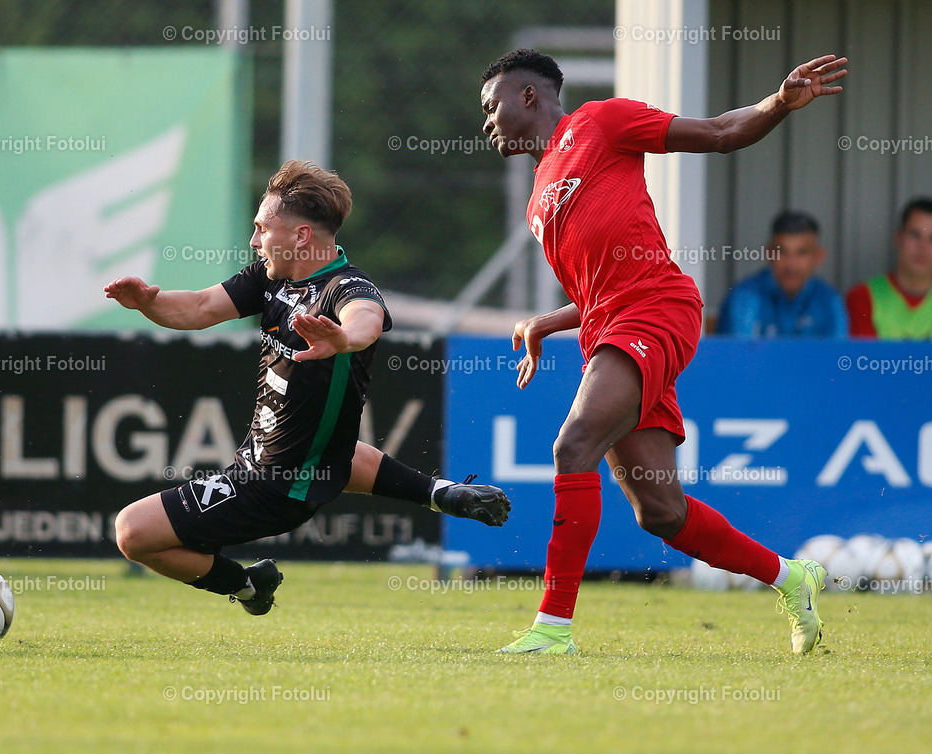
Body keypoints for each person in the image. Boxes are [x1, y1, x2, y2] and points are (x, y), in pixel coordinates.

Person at [479, 49, 847, 654]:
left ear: (527, 96)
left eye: (491, 106)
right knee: (660, 511)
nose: (487, 122)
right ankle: (791, 577)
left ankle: (552, 628)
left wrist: (779, 102)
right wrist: (547, 323)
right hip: (611, 328)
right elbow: (596, 292)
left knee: (573, 446)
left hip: (656, 311)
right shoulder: (539, 196)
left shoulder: (601, 121)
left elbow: (721, 133)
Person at [105, 160, 509, 615]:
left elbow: (366, 317)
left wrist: (344, 339)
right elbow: (198, 308)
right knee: (332, 452)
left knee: (132, 532)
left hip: (270, 488)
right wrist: (149, 303)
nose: (254, 241)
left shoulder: (345, 286)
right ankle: (441, 493)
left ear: (300, 236)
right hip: (280, 463)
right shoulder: (270, 279)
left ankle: (248, 586)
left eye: (262, 229)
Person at [716, 210, 847, 337]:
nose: (791, 264)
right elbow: (739, 350)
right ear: (769, 253)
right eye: (782, 252)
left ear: (818, 256)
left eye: (802, 253)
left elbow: (836, 350)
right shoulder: (745, 297)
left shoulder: (829, 300)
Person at [846, 197, 932, 339]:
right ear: (898, 238)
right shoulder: (863, 296)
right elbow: (863, 353)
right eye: (914, 235)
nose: (922, 246)